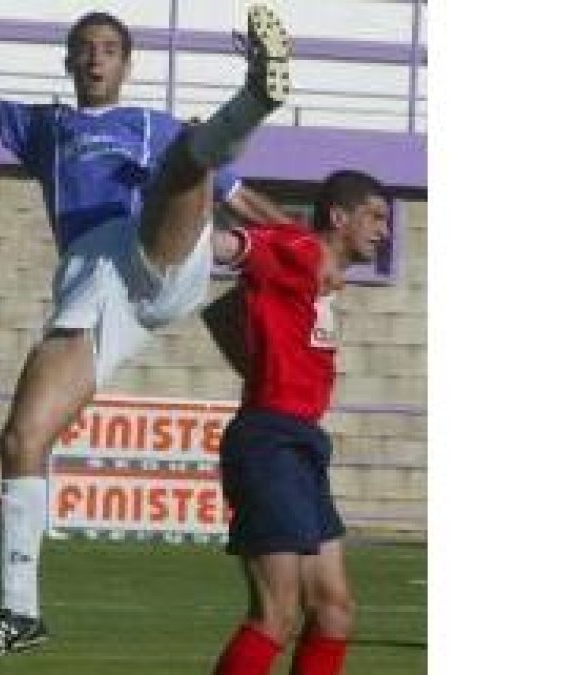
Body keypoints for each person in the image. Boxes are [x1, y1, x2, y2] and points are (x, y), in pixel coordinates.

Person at [0, 4, 294, 664]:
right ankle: (19, 611)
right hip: (94, 288)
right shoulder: (47, 127)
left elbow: (248, 201)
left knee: (188, 157)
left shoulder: (150, 125)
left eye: (109, 48)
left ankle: (257, 95)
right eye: (86, 47)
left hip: (155, 254)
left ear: (127, 66)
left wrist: (309, 255)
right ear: (70, 61)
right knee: (21, 439)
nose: (97, 56)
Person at [206, 170, 390, 675]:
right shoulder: (301, 254)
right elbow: (231, 247)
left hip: (303, 442)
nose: (384, 231)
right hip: (270, 442)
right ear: (338, 217)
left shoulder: (318, 269)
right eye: (374, 217)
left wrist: (264, 364)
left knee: (334, 613)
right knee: (276, 617)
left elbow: (221, 315)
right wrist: (176, 235)